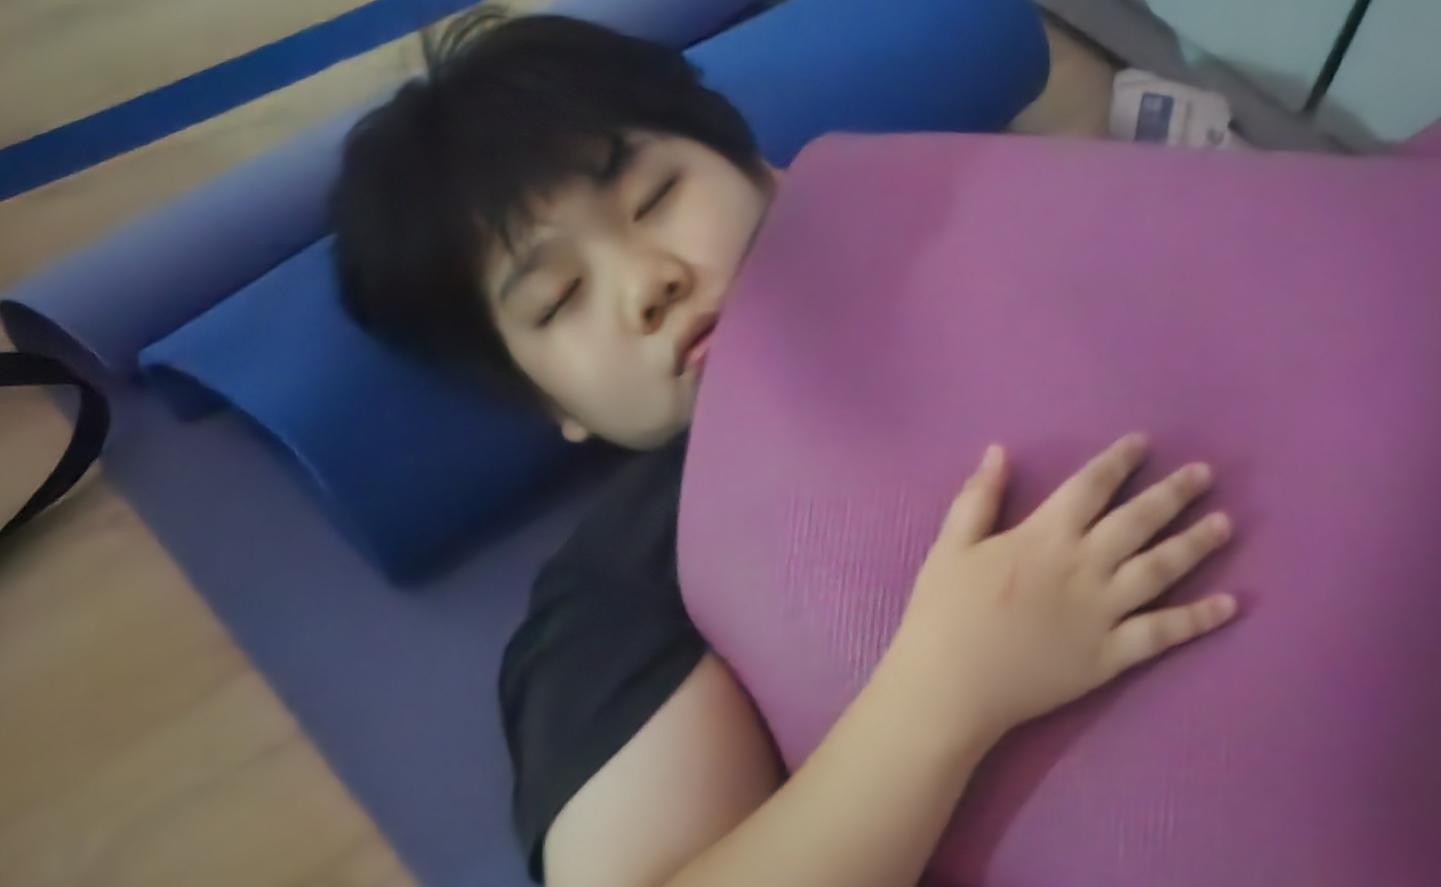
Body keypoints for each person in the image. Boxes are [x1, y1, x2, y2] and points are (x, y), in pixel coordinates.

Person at [331, 11, 1240, 887]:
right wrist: (950, 691)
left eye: (655, 198)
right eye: (559, 299)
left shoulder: (982, 241)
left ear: (761, 167)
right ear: (551, 402)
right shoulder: (627, 583)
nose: (648, 281)